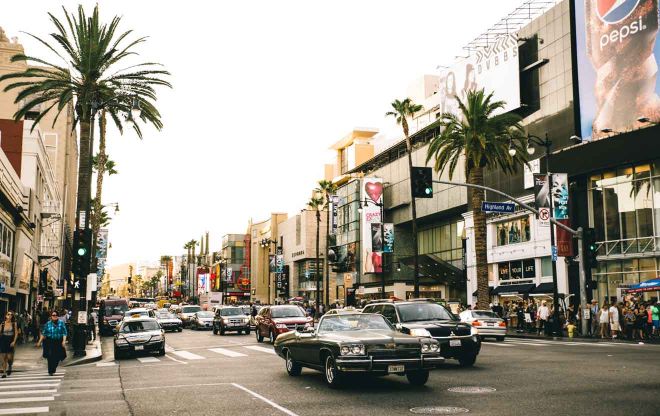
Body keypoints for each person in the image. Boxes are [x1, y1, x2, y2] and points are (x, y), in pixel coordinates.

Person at [37, 311, 68, 376]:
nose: (54, 316)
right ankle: (50, 370)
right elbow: (43, 333)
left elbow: (64, 332)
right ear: (51, 316)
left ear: (58, 316)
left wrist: (64, 341)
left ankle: (53, 367)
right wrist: (39, 341)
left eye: (56, 315)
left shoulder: (61, 323)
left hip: (58, 341)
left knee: (58, 356)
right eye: (53, 315)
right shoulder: (48, 324)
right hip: (49, 341)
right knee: (50, 356)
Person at [0, 311, 18, 377]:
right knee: (3, 357)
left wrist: (14, 341)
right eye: (8, 314)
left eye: (11, 315)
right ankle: (4, 372)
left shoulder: (14, 324)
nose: (9, 315)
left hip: (10, 340)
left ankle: (10, 366)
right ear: (6, 316)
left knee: (9, 357)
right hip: (3, 341)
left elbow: (16, 334)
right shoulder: (2, 324)